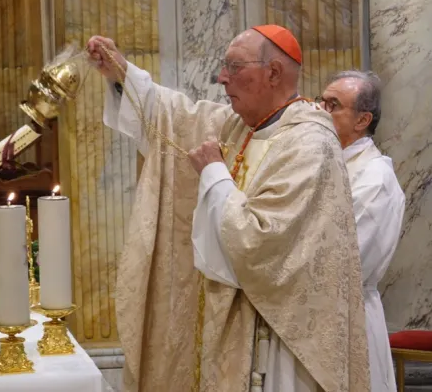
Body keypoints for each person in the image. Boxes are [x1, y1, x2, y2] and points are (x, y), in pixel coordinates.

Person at [88, 25, 370, 392]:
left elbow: (259, 241)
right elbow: (175, 116)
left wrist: (213, 172)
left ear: (272, 73)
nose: (222, 78)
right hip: (231, 328)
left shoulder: (310, 143)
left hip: (278, 343)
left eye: (235, 67)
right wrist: (121, 72)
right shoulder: (243, 127)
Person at [318, 71, 404, 392]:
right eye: (320, 101)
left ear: (362, 119)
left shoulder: (375, 177)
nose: (320, 111)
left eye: (333, 104)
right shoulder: (328, 161)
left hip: (348, 316)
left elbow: (345, 260)